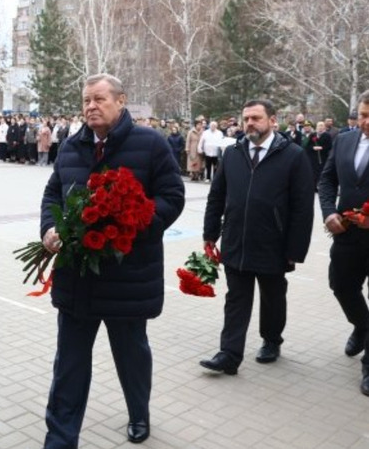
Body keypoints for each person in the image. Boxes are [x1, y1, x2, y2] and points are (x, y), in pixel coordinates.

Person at [39, 73, 185, 446]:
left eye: (99, 99)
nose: (91, 106)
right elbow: (53, 194)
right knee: (69, 364)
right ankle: (60, 438)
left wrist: (136, 221)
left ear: (121, 101)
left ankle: (139, 412)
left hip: (128, 277)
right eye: (86, 100)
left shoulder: (150, 144)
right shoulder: (72, 146)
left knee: (131, 356)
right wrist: (50, 229)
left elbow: (173, 195)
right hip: (78, 278)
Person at [199, 100, 314, 375]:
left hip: (273, 243)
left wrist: (295, 249)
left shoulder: (293, 156)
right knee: (236, 298)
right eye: (246, 118)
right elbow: (216, 196)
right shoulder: (233, 153)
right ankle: (229, 354)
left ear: (273, 121)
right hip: (236, 239)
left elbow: (302, 207)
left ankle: (271, 340)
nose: (250, 123)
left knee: (273, 297)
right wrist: (209, 233)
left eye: (256, 118)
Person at [318, 90, 369, 396]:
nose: (365, 122)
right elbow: (326, 180)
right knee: (341, 285)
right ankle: (363, 326)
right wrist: (328, 212)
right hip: (347, 234)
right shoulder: (345, 140)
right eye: (363, 115)